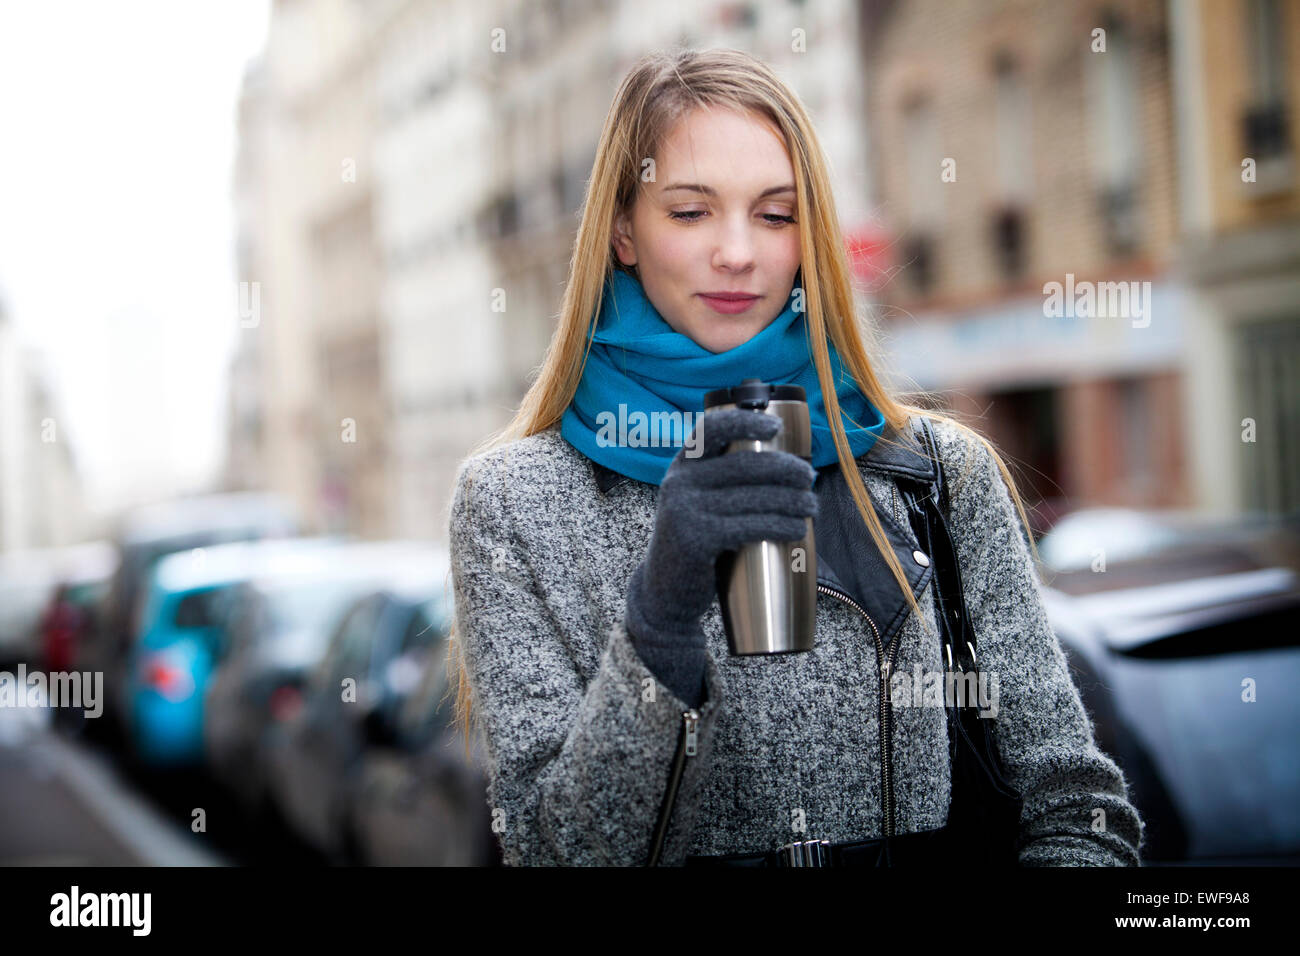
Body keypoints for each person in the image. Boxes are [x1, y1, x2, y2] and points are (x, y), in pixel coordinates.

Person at [445, 48, 1144, 867]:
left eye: (776, 215)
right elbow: (555, 850)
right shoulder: (512, 503)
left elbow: (1078, 811)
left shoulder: (942, 476)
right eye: (691, 212)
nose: (738, 253)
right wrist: (661, 614)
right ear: (623, 231)